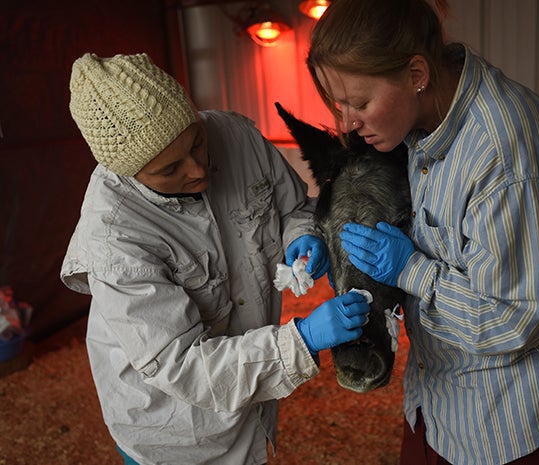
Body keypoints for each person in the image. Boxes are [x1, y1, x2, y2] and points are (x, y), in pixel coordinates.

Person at [306, 1, 539, 464]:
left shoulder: (507, 154)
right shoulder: (420, 124)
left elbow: (513, 319)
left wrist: (413, 270)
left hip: (522, 418)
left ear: (416, 72)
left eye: (360, 103)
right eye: (339, 105)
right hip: (444, 395)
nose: (347, 123)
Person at [60, 52, 370, 465]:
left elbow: (291, 208)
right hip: (176, 433)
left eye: (197, 143)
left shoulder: (235, 135)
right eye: (171, 168)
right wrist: (302, 340)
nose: (197, 169)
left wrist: (303, 235)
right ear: (130, 175)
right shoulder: (115, 239)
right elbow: (183, 364)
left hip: (249, 403)